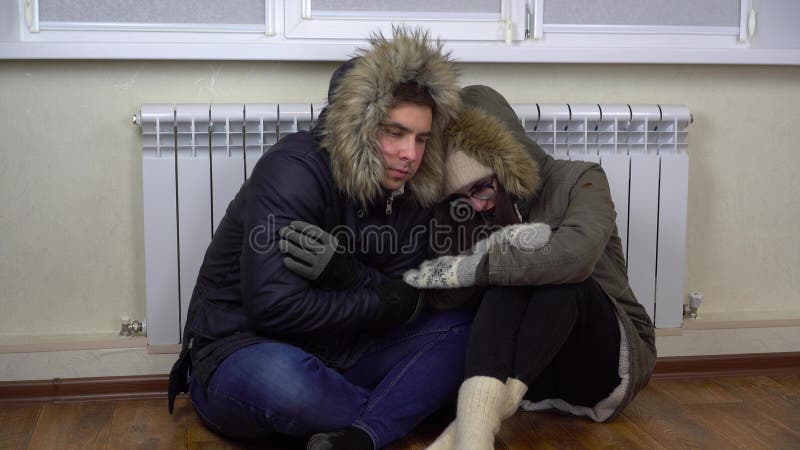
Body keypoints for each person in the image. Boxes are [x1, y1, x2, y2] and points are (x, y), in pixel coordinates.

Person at [167, 28, 469, 450]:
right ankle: (398, 409)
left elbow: (413, 300)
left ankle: (362, 433)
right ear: (358, 127)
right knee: (292, 387)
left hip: (344, 351)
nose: (410, 154)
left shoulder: (412, 186)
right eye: (395, 133)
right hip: (244, 348)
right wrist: (385, 299)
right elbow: (275, 308)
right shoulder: (294, 169)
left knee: (462, 327)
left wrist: (350, 275)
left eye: (421, 138)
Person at [404, 85, 657, 450]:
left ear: (508, 161)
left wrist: (478, 267)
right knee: (503, 277)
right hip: (530, 379)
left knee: (559, 277)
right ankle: (474, 434)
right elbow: (441, 297)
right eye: (460, 197)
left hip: (607, 366)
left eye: (481, 188)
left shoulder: (578, 178)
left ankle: (469, 431)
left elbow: (576, 256)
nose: (475, 206)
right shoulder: (469, 215)